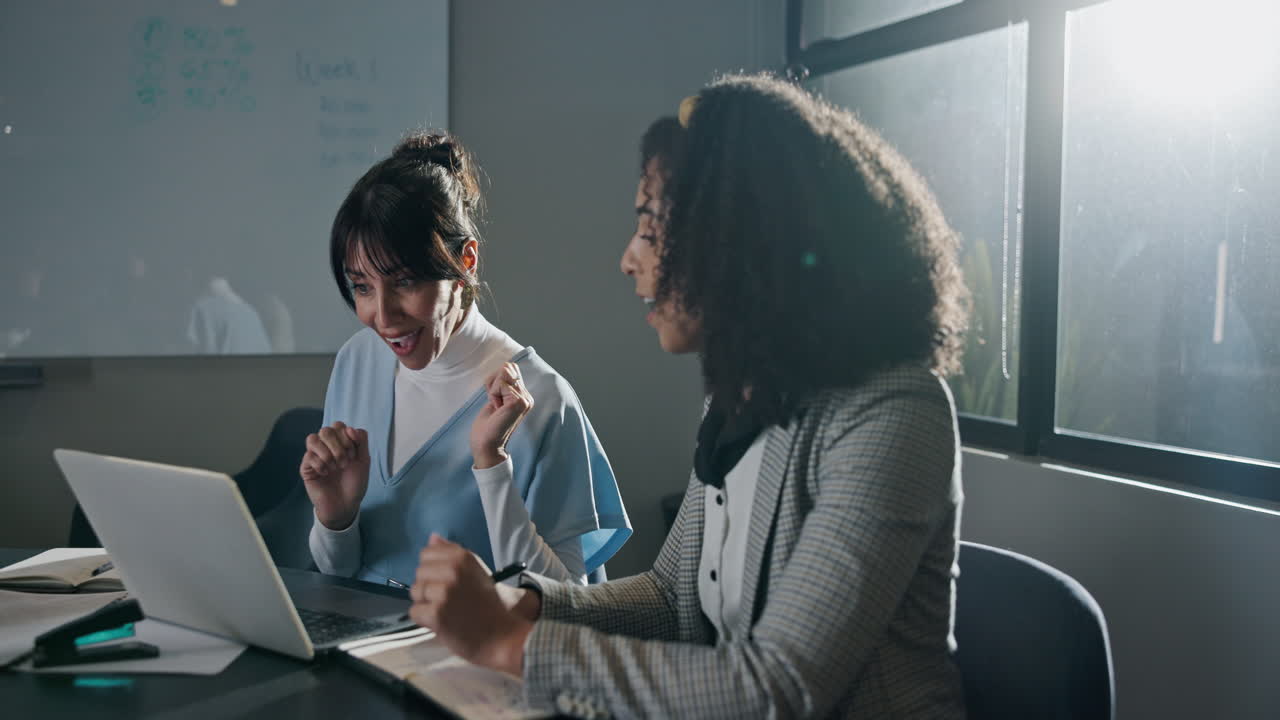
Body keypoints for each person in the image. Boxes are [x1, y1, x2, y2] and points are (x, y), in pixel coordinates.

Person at [406, 74, 970, 718]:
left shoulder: (894, 413)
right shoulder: (743, 395)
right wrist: (527, 604)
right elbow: (674, 599)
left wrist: (514, 643)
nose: (628, 259)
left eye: (650, 227)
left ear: (743, 241)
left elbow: (777, 687)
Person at [302, 132, 631, 587]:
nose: (383, 317)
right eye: (362, 287)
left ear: (466, 262)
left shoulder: (543, 400)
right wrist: (336, 518)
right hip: (362, 650)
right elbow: (339, 575)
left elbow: (565, 606)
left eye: (405, 282)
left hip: (475, 656)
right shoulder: (357, 362)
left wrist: (492, 465)